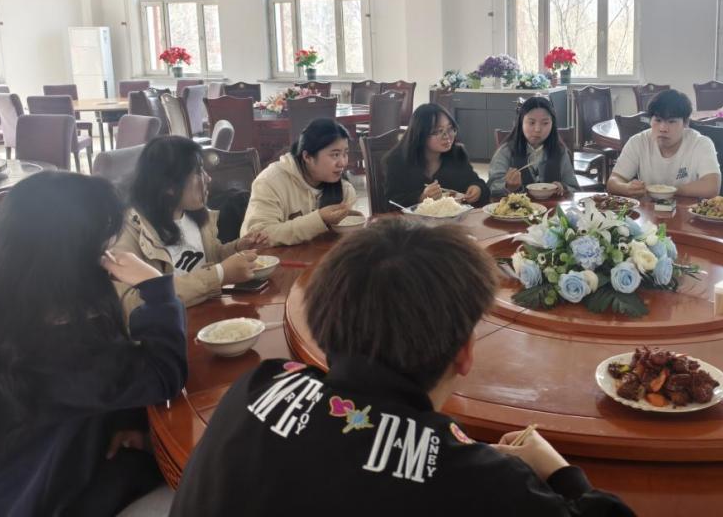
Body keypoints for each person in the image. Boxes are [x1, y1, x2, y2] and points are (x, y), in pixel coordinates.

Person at [170, 220, 633, 517]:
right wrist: (554, 468)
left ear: (325, 320)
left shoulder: (261, 383)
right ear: (465, 353)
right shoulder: (482, 484)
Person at [0, 172, 187, 517]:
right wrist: (157, 288)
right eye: (100, 244)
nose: (106, 254)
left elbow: (106, 382)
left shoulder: (12, 305)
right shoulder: (55, 345)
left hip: (41, 472)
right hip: (44, 499)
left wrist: (124, 419)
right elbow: (163, 374)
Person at [114, 136, 266, 310]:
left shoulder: (194, 214)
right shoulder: (129, 232)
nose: (208, 178)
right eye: (198, 172)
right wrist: (219, 275)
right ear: (169, 186)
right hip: (173, 324)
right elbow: (130, 304)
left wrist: (239, 247)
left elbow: (209, 257)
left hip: (208, 311)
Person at [241, 118, 359, 246]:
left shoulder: (344, 190)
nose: (343, 163)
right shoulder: (270, 181)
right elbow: (257, 237)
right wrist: (319, 218)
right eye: (335, 155)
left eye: (345, 154)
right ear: (307, 157)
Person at [607, 89, 721, 199]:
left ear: (685, 123)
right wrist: (626, 188)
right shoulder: (638, 142)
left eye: (671, 122)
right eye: (658, 120)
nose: (663, 128)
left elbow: (712, 187)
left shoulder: (701, 143)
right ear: (650, 120)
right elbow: (613, 182)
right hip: (648, 210)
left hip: (687, 210)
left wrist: (670, 191)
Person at [384, 103, 487, 208]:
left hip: (452, 218)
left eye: (450, 129)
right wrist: (421, 198)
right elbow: (390, 203)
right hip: (412, 218)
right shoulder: (398, 160)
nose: (447, 136)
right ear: (421, 134)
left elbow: (477, 183)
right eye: (438, 131)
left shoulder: (457, 154)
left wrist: (478, 189)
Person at [489, 96, 578, 198]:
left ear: (552, 124)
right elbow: (491, 188)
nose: (537, 129)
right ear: (521, 122)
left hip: (552, 207)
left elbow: (573, 187)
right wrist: (508, 187)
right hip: (517, 208)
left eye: (545, 123)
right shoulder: (506, 151)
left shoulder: (560, 151)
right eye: (531, 122)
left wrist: (563, 187)